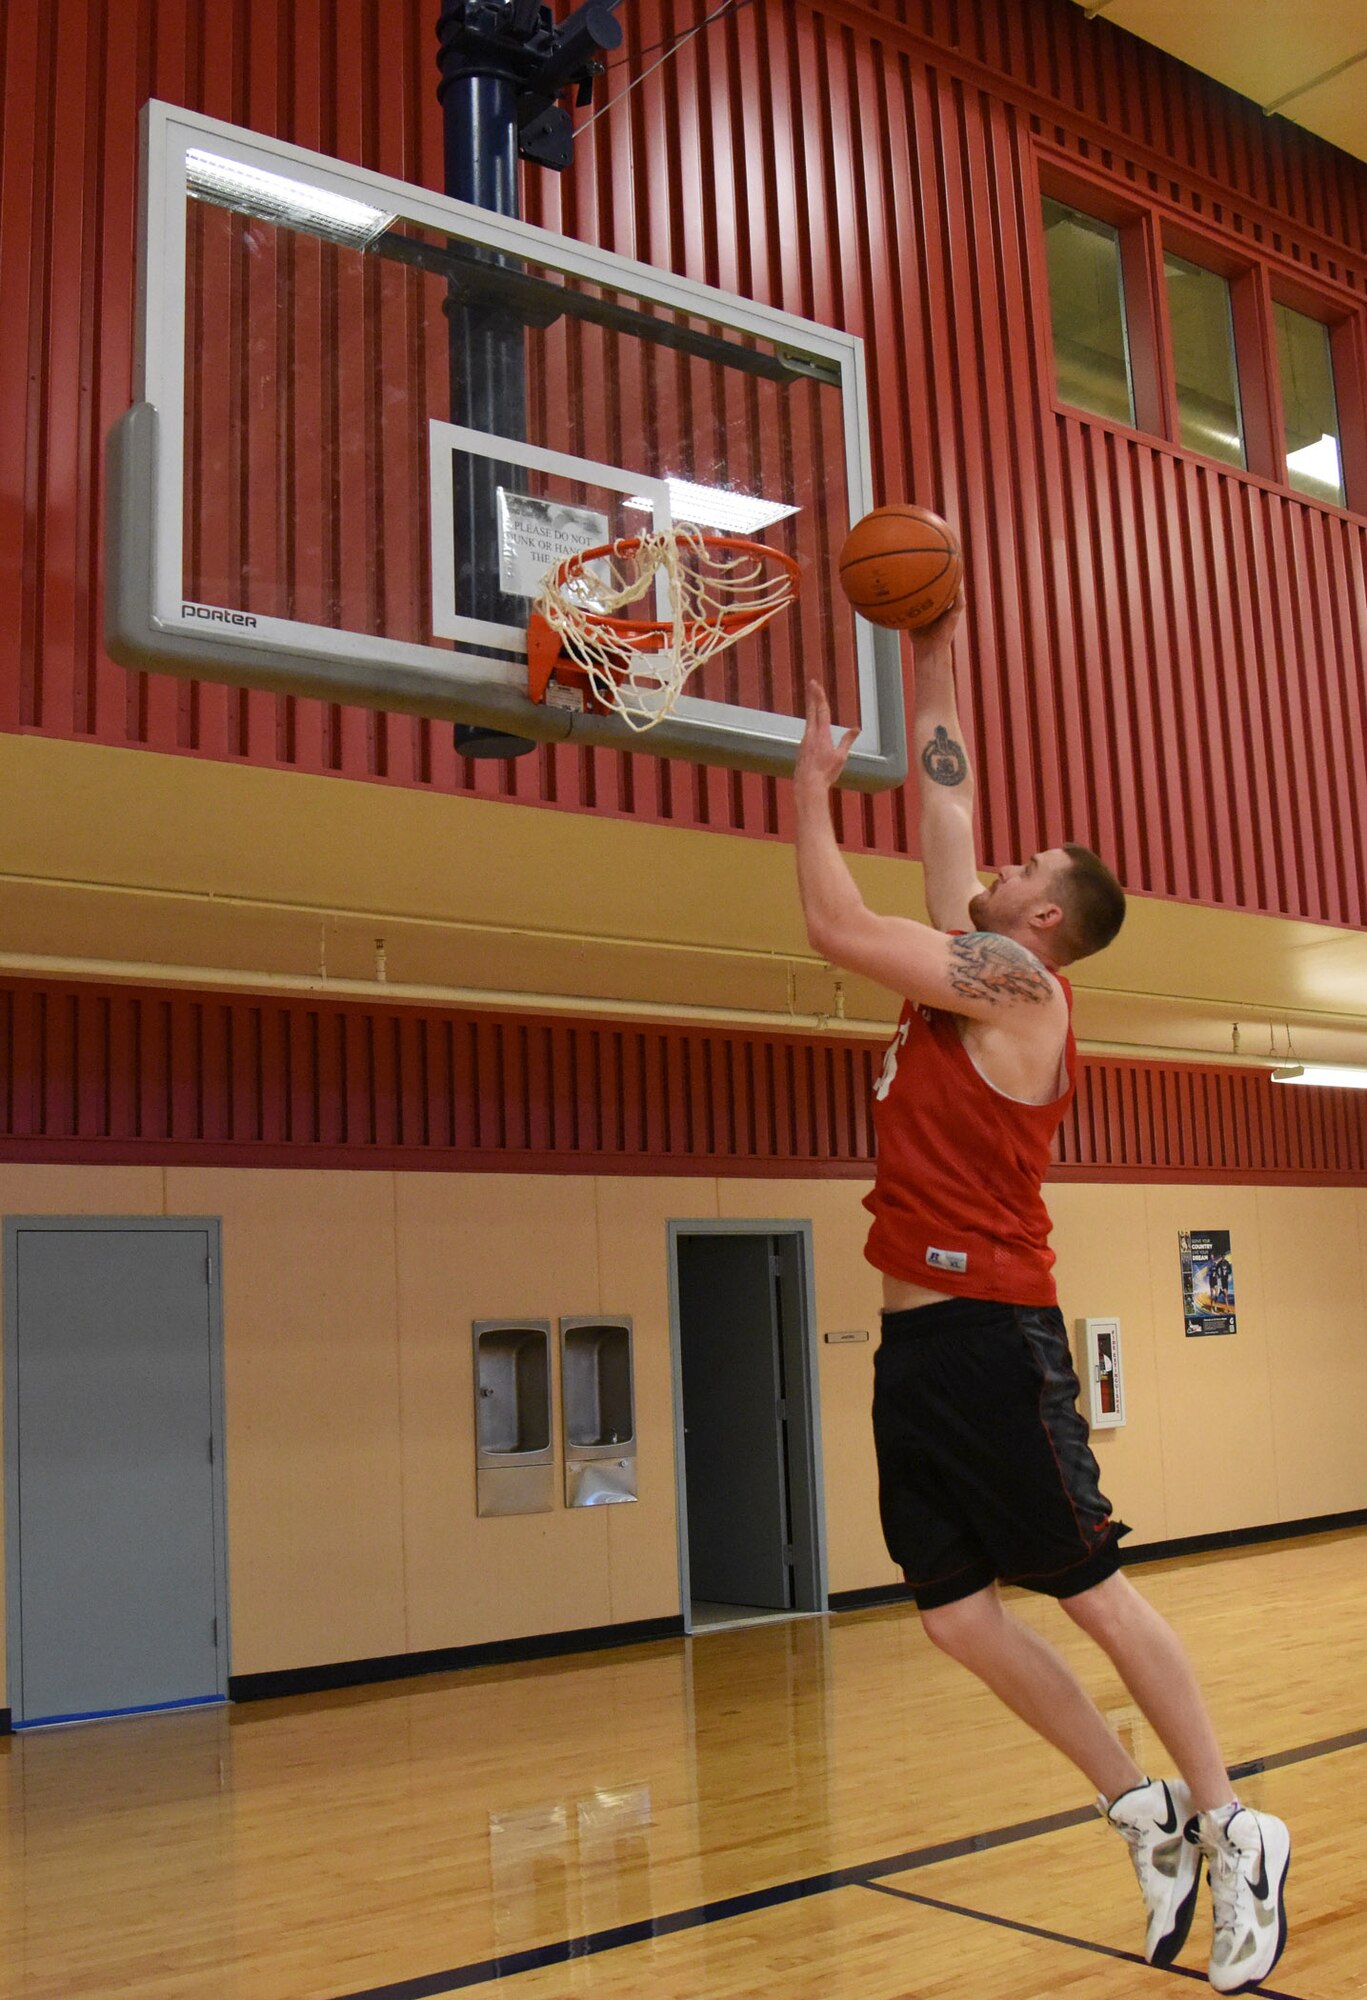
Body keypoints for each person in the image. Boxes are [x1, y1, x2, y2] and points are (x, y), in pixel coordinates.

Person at [792, 592, 1289, 1994]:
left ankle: (1235, 1819)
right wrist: (929, 633)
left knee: (1089, 1585)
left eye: (1018, 866)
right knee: (954, 1610)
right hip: (917, 1351)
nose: (989, 861)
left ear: (1044, 919)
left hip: (996, 1337)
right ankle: (1138, 1808)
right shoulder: (980, 963)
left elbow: (836, 920)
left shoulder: (1015, 989)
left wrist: (812, 790)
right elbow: (946, 786)